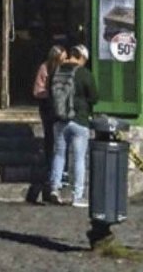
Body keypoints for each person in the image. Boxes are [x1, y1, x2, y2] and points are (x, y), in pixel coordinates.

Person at [46, 44, 99, 208]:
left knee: (59, 155)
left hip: (59, 120)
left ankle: (54, 189)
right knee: (79, 158)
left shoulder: (57, 71)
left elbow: (50, 92)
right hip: (79, 120)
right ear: (82, 57)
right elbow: (95, 97)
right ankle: (78, 195)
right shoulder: (84, 73)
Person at [30, 44, 65, 204]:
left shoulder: (64, 70)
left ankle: (56, 175)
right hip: (49, 108)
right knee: (51, 140)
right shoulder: (45, 68)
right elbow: (37, 90)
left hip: (59, 109)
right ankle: (51, 175)